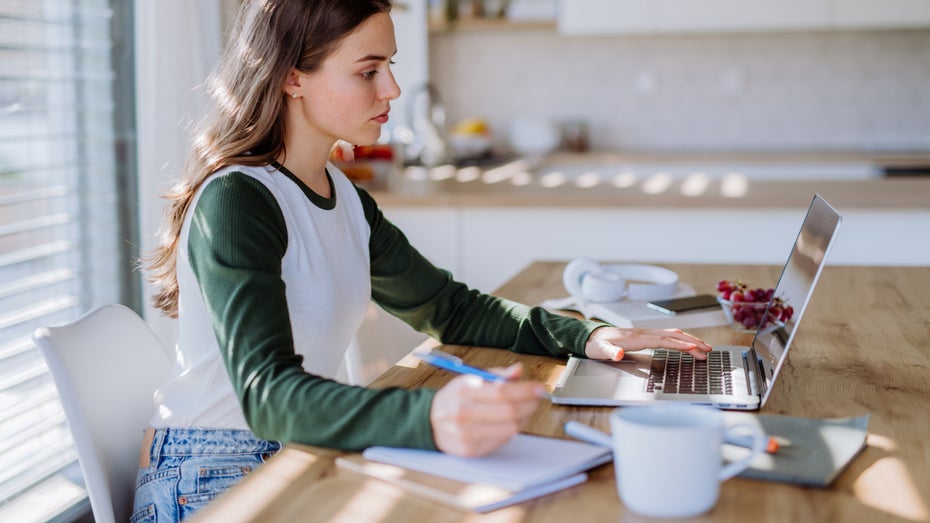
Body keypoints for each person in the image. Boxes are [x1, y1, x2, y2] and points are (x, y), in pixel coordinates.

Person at [134, 1, 713, 521]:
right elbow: (268, 396)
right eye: (368, 71)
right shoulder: (237, 200)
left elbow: (450, 309)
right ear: (293, 76)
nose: (392, 89)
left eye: (389, 65)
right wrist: (430, 418)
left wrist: (592, 337)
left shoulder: (344, 198)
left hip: (300, 447)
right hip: (209, 473)